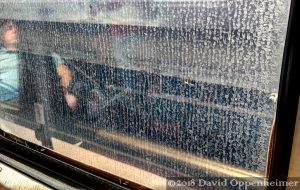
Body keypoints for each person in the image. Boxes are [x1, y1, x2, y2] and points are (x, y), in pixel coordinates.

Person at [0, 21, 20, 101]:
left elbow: (61, 69)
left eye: (16, 28)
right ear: (2, 36)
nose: (14, 30)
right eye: (9, 28)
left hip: (26, 102)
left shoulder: (33, 55)